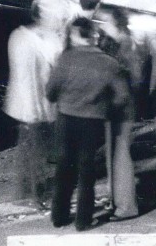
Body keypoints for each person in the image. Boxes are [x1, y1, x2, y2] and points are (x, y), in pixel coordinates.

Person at [46, 17, 130, 231]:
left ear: (76, 36)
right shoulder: (109, 63)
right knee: (86, 170)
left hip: (66, 117)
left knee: (64, 167)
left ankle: (59, 215)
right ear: (94, 36)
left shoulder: (66, 58)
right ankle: (83, 220)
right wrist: (104, 107)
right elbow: (121, 96)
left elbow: (51, 91)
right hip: (92, 120)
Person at [1, 0, 64, 208]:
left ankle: (32, 193)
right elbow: (24, 78)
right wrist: (32, 109)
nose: (57, 21)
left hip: (46, 106)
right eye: (53, 17)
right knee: (33, 152)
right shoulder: (21, 38)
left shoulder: (52, 39)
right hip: (30, 107)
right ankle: (32, 196)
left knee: (38, 152)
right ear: (40, 16)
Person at [98, 8, 142, 221]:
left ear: (116, 22)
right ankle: (116, 201)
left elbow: (135, 79)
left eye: (104, 21)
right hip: (114, 106)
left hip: (121, 109)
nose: (100, 24)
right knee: (113, 155)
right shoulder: (114, 44)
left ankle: (126, 206)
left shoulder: (126, 46)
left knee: (120, 156)